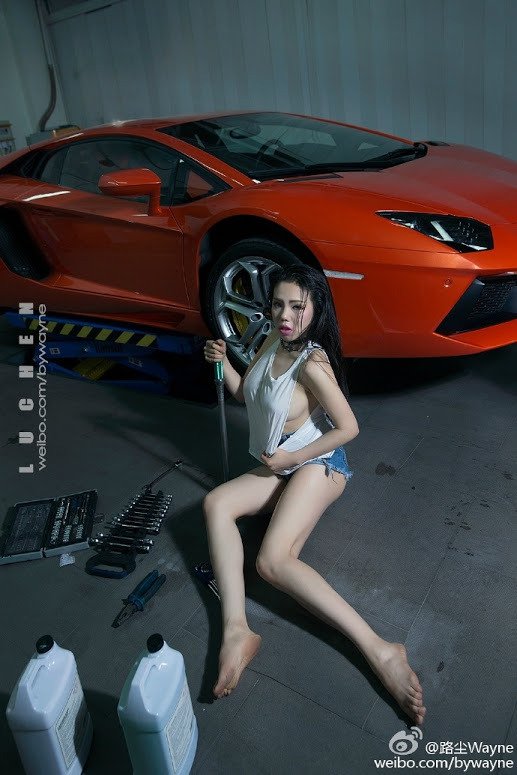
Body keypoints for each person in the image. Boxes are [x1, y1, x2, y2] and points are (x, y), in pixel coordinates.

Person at [203, 263, 426, 725]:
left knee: (271, 562)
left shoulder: (313, 363)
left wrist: (291, 458)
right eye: (278, 304)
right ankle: (236, 630)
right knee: (217, 503)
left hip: (317, 464)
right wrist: (222, 363)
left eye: (297, 307)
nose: (285, 316)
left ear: (315, 309)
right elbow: (246, 394)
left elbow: (349, 427)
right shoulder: (271, 338)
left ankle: (381, 650)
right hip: (280, 463)